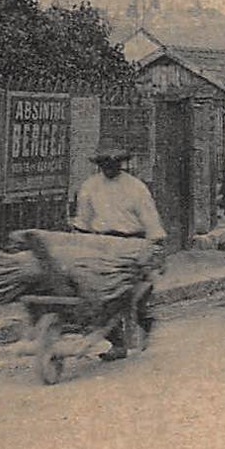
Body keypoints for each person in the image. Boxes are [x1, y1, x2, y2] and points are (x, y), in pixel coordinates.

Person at [73, 145, 167, 361]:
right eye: (105, 164)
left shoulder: (135, 188)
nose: (109, 168)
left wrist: (156, 247)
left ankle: (144, 322)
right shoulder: (90, 186)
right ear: (99, 165)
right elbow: (83, 220)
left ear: (121, 164)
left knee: (135, 294)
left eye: (114, 164)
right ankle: (117, 343)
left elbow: (150, 220)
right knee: (101, 295)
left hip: (130, 243)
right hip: (100, 243)